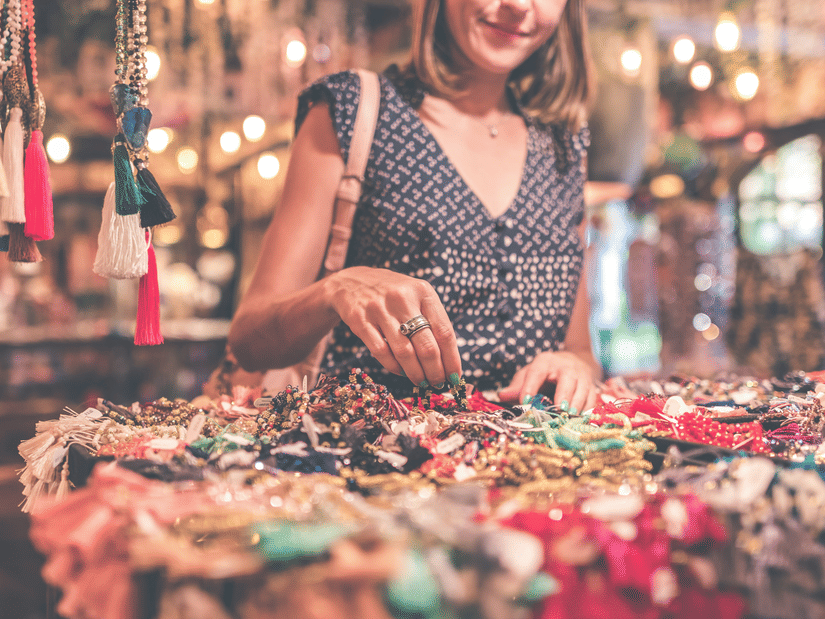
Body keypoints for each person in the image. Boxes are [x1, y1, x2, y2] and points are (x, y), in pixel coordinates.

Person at [228, 0, 602, 413]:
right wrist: (337, 289)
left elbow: (581, 350)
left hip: (535, 467)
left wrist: (573, 365)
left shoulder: (564, 144)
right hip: (371, 457)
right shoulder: (354, 109)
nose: (516, 5)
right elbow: (250, 340)